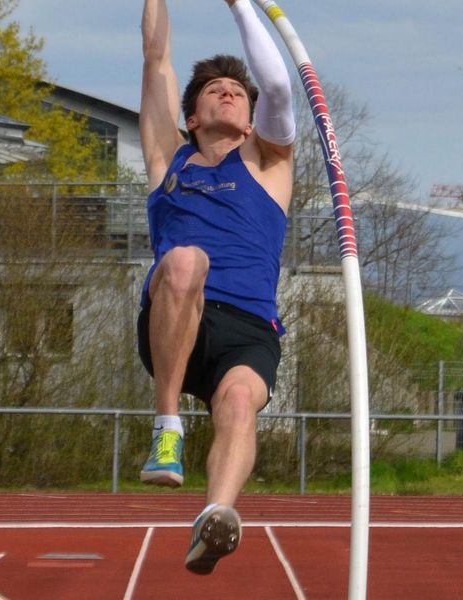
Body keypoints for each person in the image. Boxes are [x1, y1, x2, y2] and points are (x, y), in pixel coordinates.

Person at [137, 0, 295, 574]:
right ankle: (166, 428)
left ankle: (216, 516)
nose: (228, 93)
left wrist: (239, 5)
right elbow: (156, 60)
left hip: (251, 328)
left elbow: (277, 83)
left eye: (236, 90)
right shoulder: (168, 158)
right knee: (185, 260)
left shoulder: (269, 162)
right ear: (194, 117)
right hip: (178, 314)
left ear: (251, 120)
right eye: (214, 91)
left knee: (237, 402)